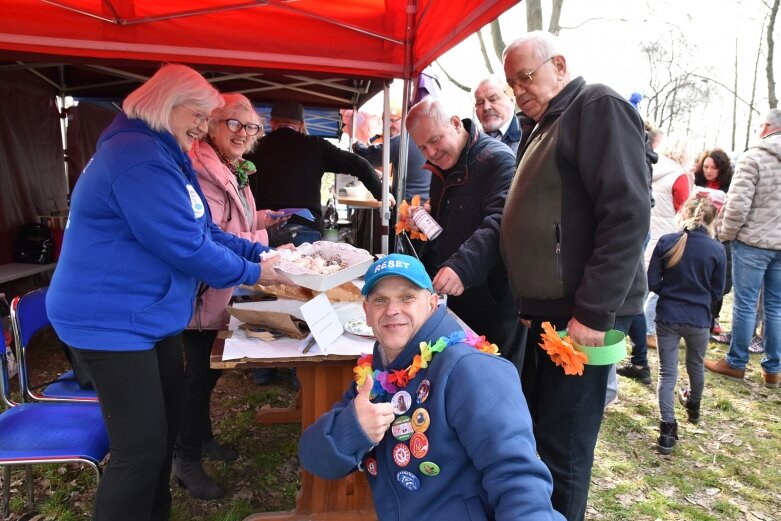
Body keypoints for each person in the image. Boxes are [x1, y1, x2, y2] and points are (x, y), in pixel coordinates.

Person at [45, 64, 292, 521]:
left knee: (163, 434)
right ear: (164, 103)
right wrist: (256, 272)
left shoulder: (163, 153)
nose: (203, 126)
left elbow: (203, 230)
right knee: (139, 451)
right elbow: (186, 246)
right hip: (110, 323)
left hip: (146, 318)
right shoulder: (137, 156)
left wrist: (259, 257)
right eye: (198, 115)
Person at [501, 31, 650, 520]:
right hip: (553, 314)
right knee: (543, 432)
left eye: (525, 76)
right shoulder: (546, 122)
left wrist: (591, 311)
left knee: (563, 445)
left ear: (558, 66)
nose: (519, 90)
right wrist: (532, 305)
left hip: (583, 316)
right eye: (512, 83)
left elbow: (626, 214)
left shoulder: (596, 106)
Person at [298, 254, 565, 521]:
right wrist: (354, 428)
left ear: (433, 304)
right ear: (366, 312)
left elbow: (520, 481)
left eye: (407, 297)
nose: (392, 310)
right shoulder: (376, 376)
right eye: (380, 300)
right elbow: (315, 459)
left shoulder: (471, 369)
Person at [176, 93, 284, 499]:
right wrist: (263, 243)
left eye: (251, 127)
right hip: (202, 292)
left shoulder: (231, 167)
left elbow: (232, 219)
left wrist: (263, 219)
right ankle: (185, 461)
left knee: (208, 373)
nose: (243, 133)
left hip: (219, 290)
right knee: (197, 377)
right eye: (233, 124)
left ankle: (202, 440)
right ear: (211, 125)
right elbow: (211, 237)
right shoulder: (203, 168)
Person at [404, 96, 521, 355]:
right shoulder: (442, 164)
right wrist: (425, 219)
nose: (431, 153)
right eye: (422, 148)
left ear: (456, 123)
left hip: (493, 299)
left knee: (492, 377)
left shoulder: (497, 159)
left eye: (434, 141)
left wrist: (461, 267)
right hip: (455, 294)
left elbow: (500, 221)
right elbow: (449, 224)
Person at [705, 109, 781, 389]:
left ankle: (736, 362)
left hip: (753, 242)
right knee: (776, 307)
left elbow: (737, 205)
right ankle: (773, 369)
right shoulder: (755, 157)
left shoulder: (754, 158)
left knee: (746, 304)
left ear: (765, 127)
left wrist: (725, 235)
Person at [247, 99, 389, 246]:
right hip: (304, 228)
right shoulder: (317, 146)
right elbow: (360, 165)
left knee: (264, 268)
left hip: (262, 230)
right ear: (301, 125)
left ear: (271, 122)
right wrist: (382, 194)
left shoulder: (255, 146)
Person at [648, 197, 726, 454]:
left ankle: (667, 430)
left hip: (668, 315)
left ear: (684, 213)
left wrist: (669, 292)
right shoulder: (717, 250)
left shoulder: (667, 241)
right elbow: (718, 290)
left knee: (666, 374)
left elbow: (652, 282)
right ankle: (693, 406)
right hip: (698, 319)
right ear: (713, 221)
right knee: (696, 368)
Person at [619, 135, 694, 383]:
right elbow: (684, 211)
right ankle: (641, 355)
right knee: (637, 297)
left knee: (633, 296)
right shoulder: (678, 175)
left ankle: (639, 357)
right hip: (663, 240)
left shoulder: (645, 163)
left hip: (639, 234)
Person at [352, 105, 431, 201]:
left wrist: (357, 144)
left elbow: (367, 156)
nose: (388, 125)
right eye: (385, 121)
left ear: (405, 120)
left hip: (407, 208)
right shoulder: (420, 137)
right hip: (423, 204)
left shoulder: (401, 140)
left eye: (393, 120)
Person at [693, 147, 734, 335]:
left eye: (713, 167)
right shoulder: (696, 183)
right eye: (706, 166)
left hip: (720, 238)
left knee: (719, 279)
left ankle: (713, 317)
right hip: (697, 235)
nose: (708, 171)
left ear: (721, 169)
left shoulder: (730, 187)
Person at [474, 76, 522, 155]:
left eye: (493, 99)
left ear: (512, 99)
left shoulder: (529, 135)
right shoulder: (468, 144)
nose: (486, 107)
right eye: (480, 102)